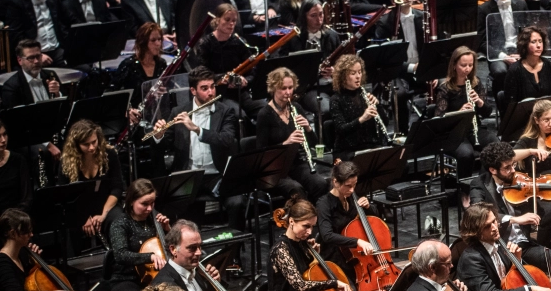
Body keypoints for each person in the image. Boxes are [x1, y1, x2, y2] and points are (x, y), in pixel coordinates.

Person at [468, 140, 551, 291]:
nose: (513, 170)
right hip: (500, 248)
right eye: (507, 168)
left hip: (524, 245)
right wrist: (515, 219)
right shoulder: (479, 185)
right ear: (493, 170)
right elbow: (477, 213)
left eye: (513, 165)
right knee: (518, 285)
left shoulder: (520, 181)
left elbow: (543, 220)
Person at [151, 67, 245, 230]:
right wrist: (159, 136)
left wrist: (196, 129)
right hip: (190, 175)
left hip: (217, 174)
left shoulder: (225, 111)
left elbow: (226, 139)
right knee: (176, 210)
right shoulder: (178, 112)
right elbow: (166, 144)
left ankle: (236, 244)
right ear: (193, 90)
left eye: (212, 87)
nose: (211, 92)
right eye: (204, 88)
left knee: (237, 202)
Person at [456, 203, 551, 291]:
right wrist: (531, 289)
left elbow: (507, 280)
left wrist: (517, 259)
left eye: (494, 221)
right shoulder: (471, 258)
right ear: (475, 232)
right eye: (487, 226)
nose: (494, 228)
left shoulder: (498, 242)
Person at [107, 179, 169, 291]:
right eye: (144, 204)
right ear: (131, 201)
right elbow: (120, 254)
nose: (150, 209)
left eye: (152, 203)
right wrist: (149, 257)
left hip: (152, 278)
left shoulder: (154, 220)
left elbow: (171, 248)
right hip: (124, 280)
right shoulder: (120, 223)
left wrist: (167, 229)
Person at [256, 67, 329, 200]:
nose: (288, 92)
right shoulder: (264, 114)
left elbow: (314, 144)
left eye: (290, 88)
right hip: (275, 169)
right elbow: (261, 152)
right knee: (296, 189)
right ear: (273, 88)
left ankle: (317, 212)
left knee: (320, 184)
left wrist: (308, 128)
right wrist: (286, 143)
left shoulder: (296, 108)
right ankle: (303, 213)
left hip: (296, 164)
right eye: (283, 88)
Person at [314, 161, 378, 283]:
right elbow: (327, 235)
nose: (352, 190)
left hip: (354, 253)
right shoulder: (324, 204)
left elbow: (375, 219)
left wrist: (368, 207)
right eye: (348, 186)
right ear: (336, 182)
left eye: (355, 185)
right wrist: (357, 241)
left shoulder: (351, 197)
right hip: (334, 256)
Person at [434, 46, 492, 178]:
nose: (467, 69)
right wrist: (459, 113)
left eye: (470, 65)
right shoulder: (445, 88)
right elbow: (439, 119)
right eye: (463, 65)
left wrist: (479, 102)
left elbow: (487, 113)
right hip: (455, 134)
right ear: (454, 65)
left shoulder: (476, 83)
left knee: (495, 147)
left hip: (474, 129)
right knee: (466, 154)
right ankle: (464, 188)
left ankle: (483, 183)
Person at [60, 120, 125, 235]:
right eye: (86, 144)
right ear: (76, 145)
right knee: (71, 226)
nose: (91, 147)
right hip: (79, 209)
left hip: (106, 204)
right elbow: (64, 196)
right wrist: (83, 218)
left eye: (94, 142)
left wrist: (103, 214)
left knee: (118, 220)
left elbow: (117, 187)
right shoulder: (67, 162)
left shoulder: (109, 154)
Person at [328, 54, 390, 160]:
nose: (358, 76)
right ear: (343, 76)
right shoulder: (336, 99)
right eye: (353, 73)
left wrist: (378, 105)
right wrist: (362, 119)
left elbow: (385, 122)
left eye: (359, 72)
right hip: (347, 150)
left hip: (370, 147)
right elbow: (341, 129)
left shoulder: (365, 95)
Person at [476, 0, 527, 94]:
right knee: (500, 71)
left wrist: (522, 52)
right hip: (498, 53)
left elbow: (527, 33)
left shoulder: (521, 4)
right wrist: (503, 56)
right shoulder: (484, 9)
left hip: (519, 50)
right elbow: (481, 42)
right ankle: (503, 103)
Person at [3, 0, 69, 62]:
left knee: (83, 67)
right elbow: (16, 36)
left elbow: (66, 22)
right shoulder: (17, 4)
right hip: (33, 55)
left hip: (57, 49)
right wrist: (37, 55)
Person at [113, 22, 167, 115]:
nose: (158, 43)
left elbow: (167, 92)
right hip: (134, 116)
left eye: (159, 39)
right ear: (143, 42)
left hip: (155, 115)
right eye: (153, 40)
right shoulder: (129, 64)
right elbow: (112, 93)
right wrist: (127, 110)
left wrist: (165, 92)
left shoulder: (161, 64)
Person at [502, 26, 551, 106]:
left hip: (547, 112)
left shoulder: (550, 65)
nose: (538, 45)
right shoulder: (515, 70)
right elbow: (511, 105)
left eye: (540, 41)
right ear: (525, 44)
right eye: (533, 42)